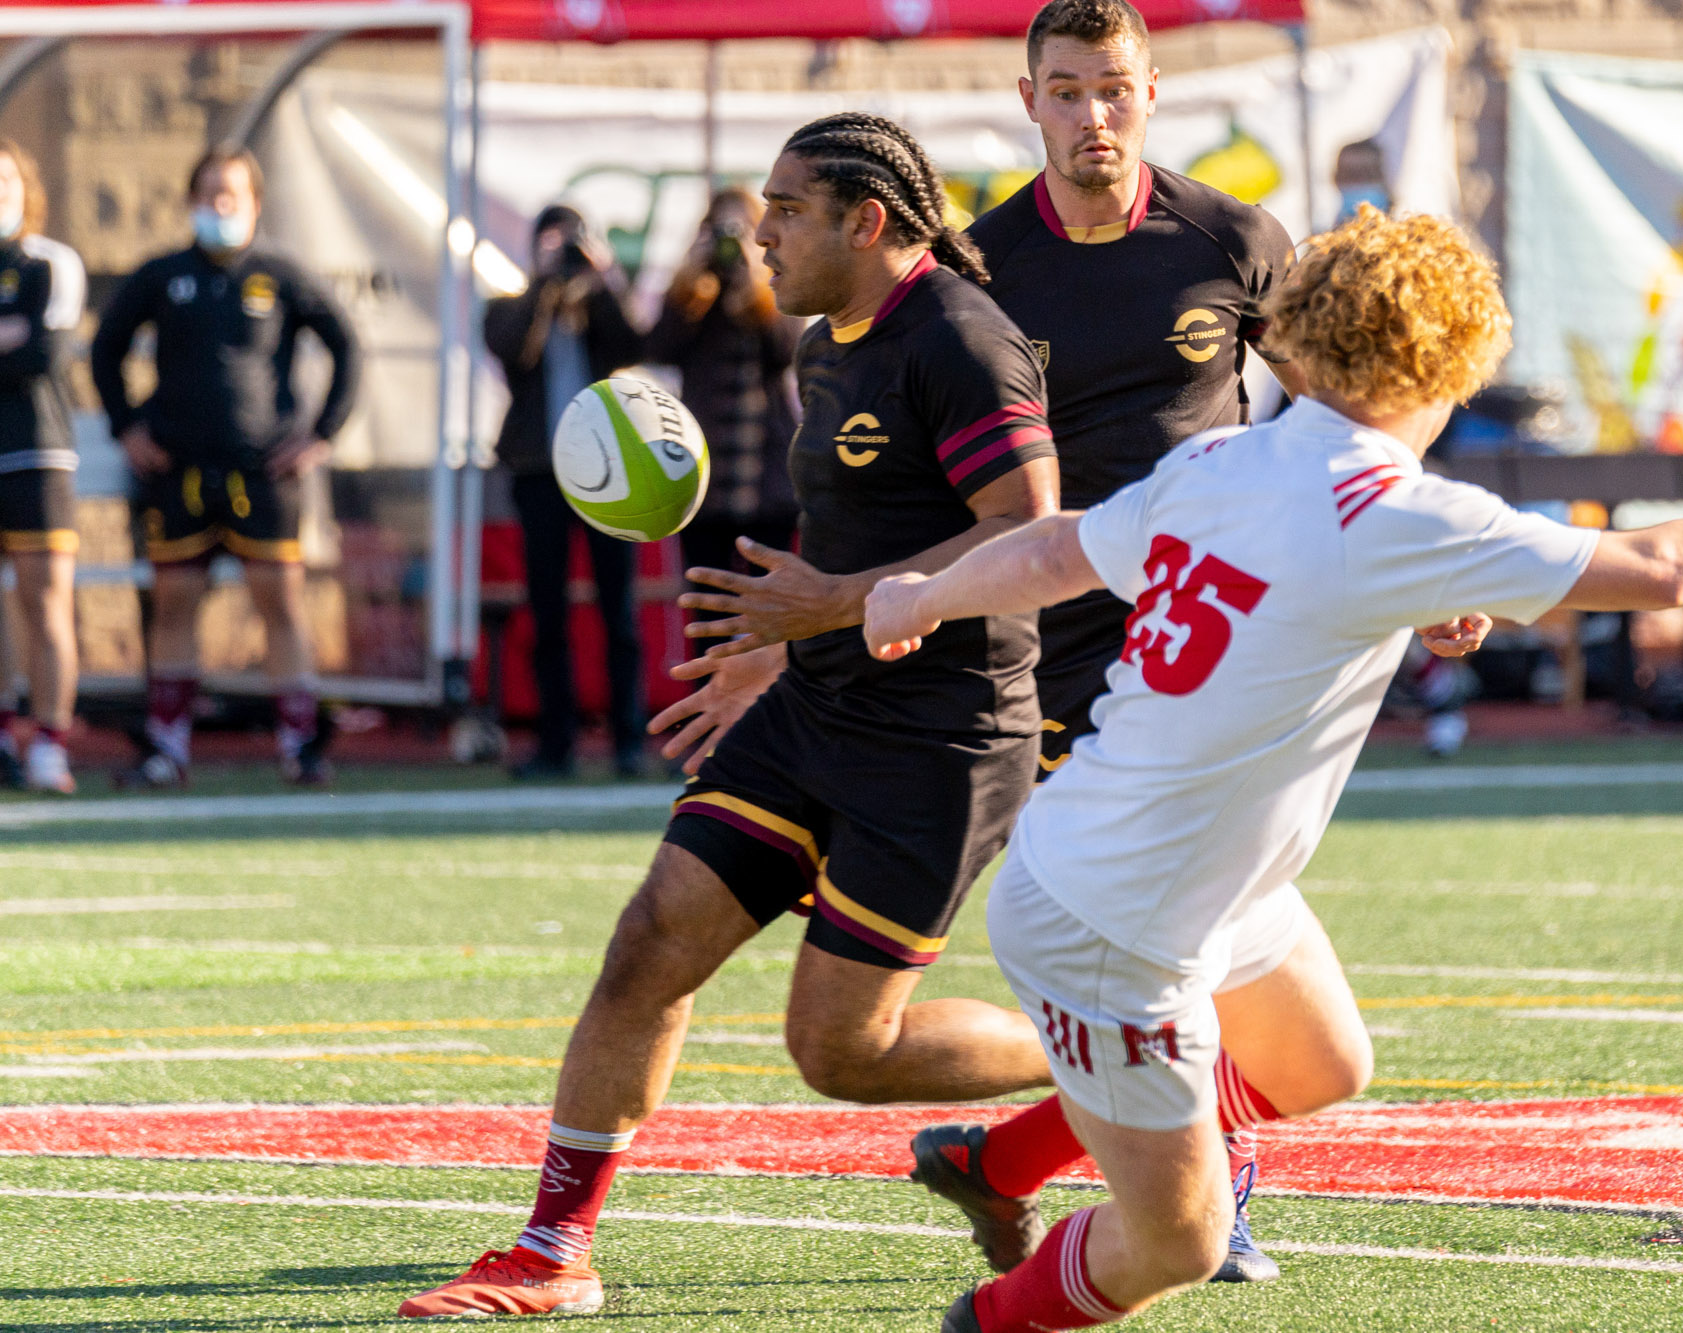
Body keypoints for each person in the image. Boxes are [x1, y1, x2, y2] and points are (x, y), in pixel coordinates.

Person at [862, 207, 1683, 1332]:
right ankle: (985, 1322)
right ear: (1451, 361)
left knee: (1319, 1061)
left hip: (1185, 868)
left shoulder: (1226, 459)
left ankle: (997, 1163)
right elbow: (1664, 568)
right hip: (1109, 918)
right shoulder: (1391, 507)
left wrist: (922, 593)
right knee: (1179, 1240)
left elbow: (1060, 547)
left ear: (1305, 337)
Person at [398, 112, 1062, 1320]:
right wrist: (782, 643)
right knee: (651, 938)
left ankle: (1108, 1049)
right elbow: (855, 534)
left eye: (786, 209)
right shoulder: (826, 344)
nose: (759, 231)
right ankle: (553, 1251)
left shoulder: (961, 341)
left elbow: (1032, 531)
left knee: (842, 1053)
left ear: (867, 222)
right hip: (816, 706)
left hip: (940, 741)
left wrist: (834, 606)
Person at [948, 0, 1308, 1280]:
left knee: (1194, 917)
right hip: (1046, 637)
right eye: (1065, 90)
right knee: (1158, 926)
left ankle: (1093, 1176)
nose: (1091, 116)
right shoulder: (977, 267)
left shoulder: (1232, 240)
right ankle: (1067, 1173)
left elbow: (1338, 421)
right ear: (1027, 100)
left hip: (1213, 628)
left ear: (1151, 90)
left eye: (1112, 88)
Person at [91, 146, 358, 788]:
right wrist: (126, 427)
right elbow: (106, 346)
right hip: (179, 469)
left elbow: (346, 344)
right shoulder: (163, 275)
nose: (220, 204)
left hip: (263, 473)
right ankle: (167, 748)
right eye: (209, 192)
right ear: (190, 201)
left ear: (254, 203)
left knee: (281, 602)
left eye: (231, 193)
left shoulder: (279, 275)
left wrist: (319, 434)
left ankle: (299, 744)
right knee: (177, 599)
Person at [485, 204, 648, 779]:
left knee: (618, 610)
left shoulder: (599, 302)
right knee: (547, 612)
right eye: (551, 241)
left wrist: (601, 279)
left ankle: (629, 740)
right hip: (539, 472)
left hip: (610, 471)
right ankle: (556, 744)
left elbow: (632, 344)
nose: (563, 251)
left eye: (572, 241)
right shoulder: (510, 305)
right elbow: (515, 352)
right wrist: (546, 287)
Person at [646, 186, 804, 598]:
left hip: (765, 475)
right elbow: (658, 348)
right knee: (708, 605)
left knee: (767, 608)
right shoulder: (693, 292)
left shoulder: (778, 285)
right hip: (705, 476)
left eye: (741, 230)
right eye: (721, 230)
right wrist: (690, 284)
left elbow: (787, 352)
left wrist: (755, 281)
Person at [0, 140, 85, 794]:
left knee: (44, 599)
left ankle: (50, 741)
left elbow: (45, 352)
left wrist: (21, 340)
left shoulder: (51, 263)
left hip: (37, 455)